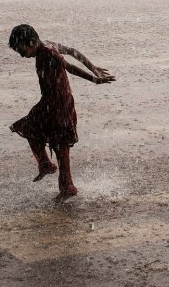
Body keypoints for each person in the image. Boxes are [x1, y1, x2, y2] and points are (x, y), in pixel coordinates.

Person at [8, 24, 115, 199]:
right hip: (50, 101)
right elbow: (73, 51)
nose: (21, 55)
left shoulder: (48, 53)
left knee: (60, 144)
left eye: (22, 50)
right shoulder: (49, 44)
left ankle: (67, 187)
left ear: (33, 41)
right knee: (29, 127)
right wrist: (93, 67)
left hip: (59, 104)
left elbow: (69, 67)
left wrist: (94, 79)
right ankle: (46, 166)